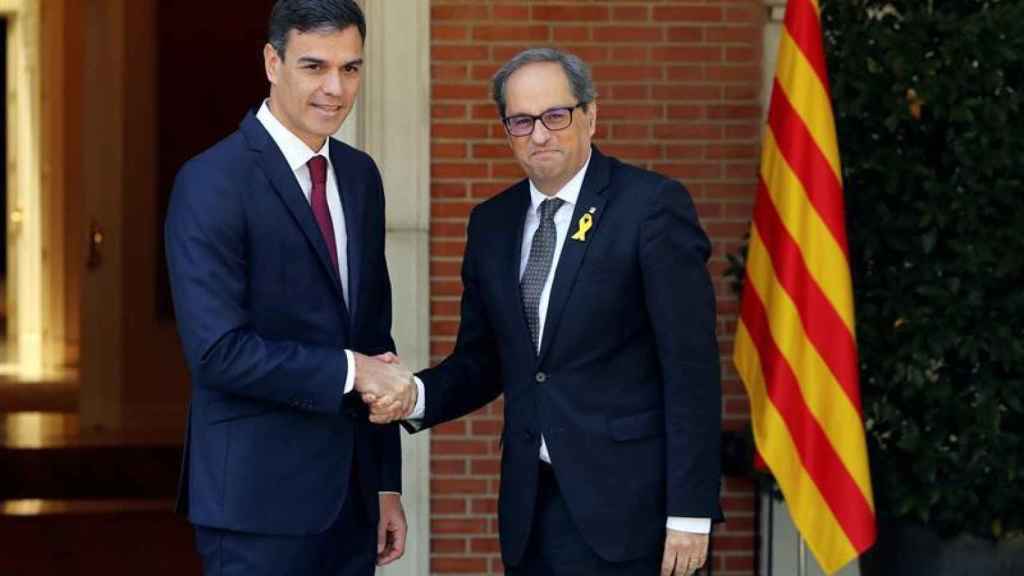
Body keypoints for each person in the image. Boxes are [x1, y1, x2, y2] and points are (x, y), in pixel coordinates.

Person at [368, 47, 723, 576]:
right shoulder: (492, 224)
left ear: (590, 114)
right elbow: (484, 360)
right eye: (521, 121)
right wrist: (413, 396)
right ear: (506, 128)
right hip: (532, 511)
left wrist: (691, 514)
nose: (540, 134)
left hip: (633, 516)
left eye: (556, 116)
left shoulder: (650, 207)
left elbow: (691, 370)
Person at [164, 1, 417, 574]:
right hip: (255, 505)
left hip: (352, 503)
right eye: (314, 67)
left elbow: (374, 336)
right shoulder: (211, 181)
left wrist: (383, 485)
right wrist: (352, 372)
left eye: (350, 69)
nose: (335, 88)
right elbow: (217, 352)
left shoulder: (359, 177)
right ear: (272, 62)